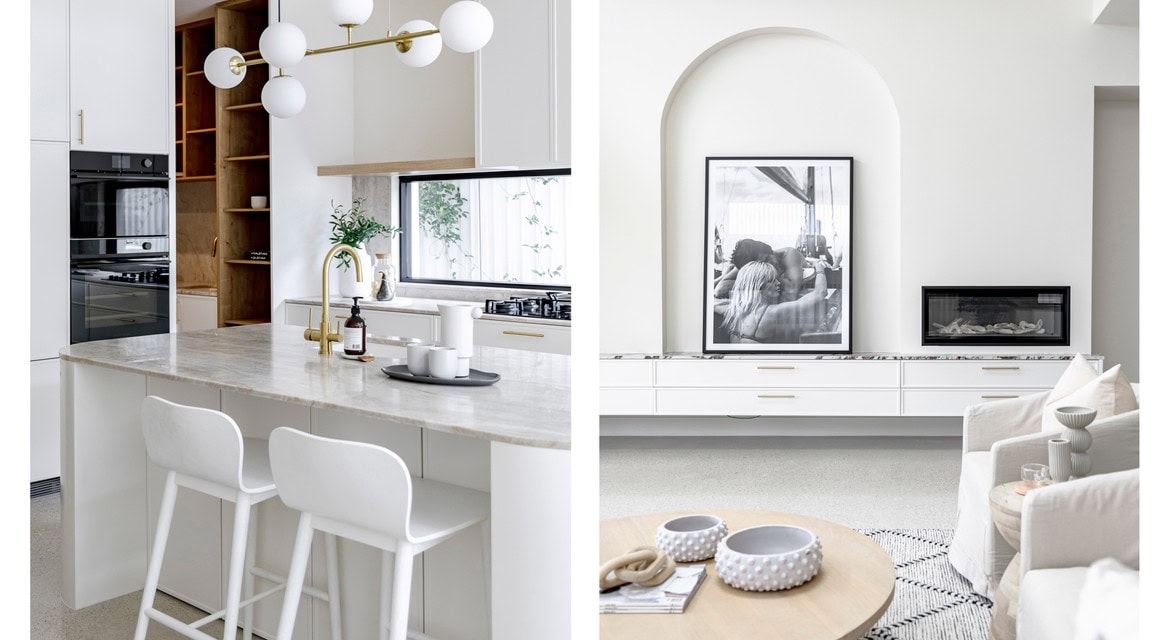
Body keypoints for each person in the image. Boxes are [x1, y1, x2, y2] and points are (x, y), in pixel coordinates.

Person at [715, 259, 827, 344]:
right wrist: (819, 267)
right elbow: (820, 293)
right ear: (759, 285)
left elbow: (712, 300)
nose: (778, 283)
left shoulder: (733, 310)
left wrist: (725, 275)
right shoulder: (770, 313)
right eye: (772, 281)